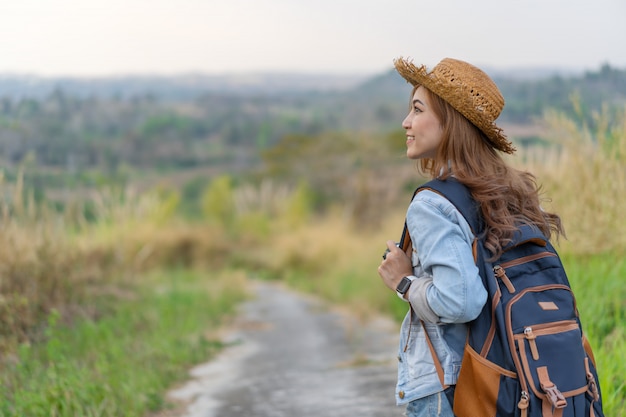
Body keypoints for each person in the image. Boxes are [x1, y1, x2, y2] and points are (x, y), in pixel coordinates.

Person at [377, 57, 564, 417]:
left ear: (450, 123)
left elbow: (460, 300)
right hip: (507, 379)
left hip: (448, 388)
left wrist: (403, 282)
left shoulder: (433, 205)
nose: (406, 122)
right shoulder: (506, 193)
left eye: (417, 109)